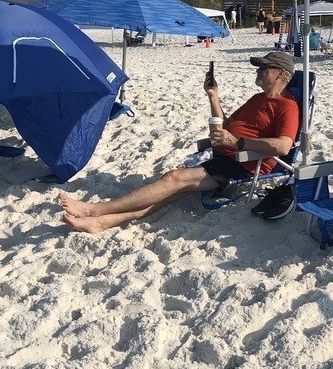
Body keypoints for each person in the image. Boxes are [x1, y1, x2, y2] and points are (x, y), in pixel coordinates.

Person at [60, 52, 299, 234]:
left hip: (244, 163)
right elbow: (222, 127)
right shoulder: (257, 99)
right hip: (224, 155)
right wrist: (213, 96)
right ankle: (102, 222)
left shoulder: (287, 106)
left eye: (264, 68)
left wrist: (238, 142)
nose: (257, 71)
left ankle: (94, 210)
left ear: (280, 74)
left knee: (173, 179)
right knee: (172, 192)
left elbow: (283, 146)